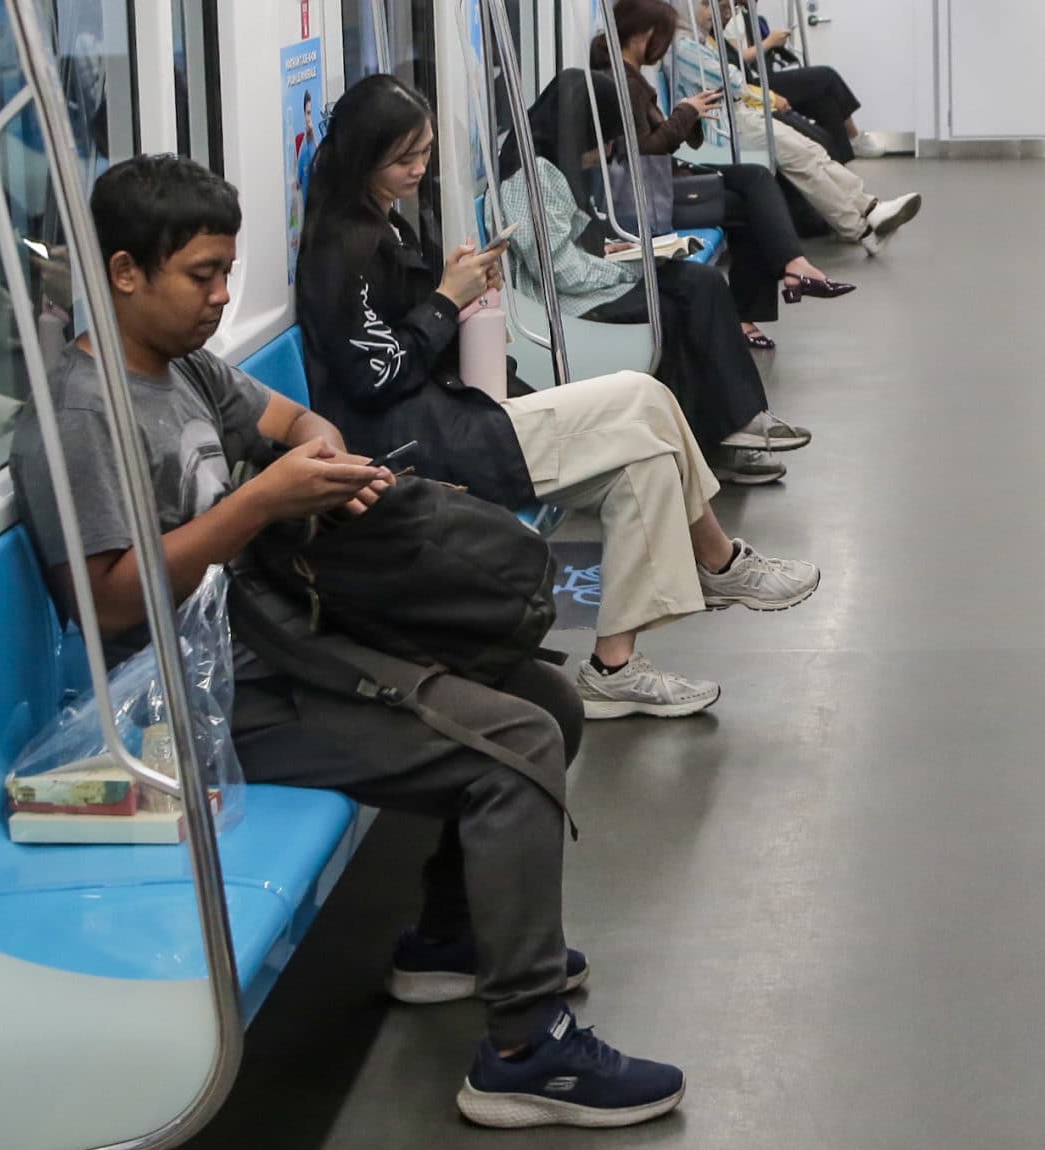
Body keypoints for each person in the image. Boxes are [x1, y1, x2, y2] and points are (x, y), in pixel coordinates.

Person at [14, 155, 685, 1129]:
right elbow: (111, 599)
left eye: (225, 273)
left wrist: (320, 460)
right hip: (197, 707)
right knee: (517, 746)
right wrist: (260, 501)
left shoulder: (186, 367)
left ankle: (453, 938)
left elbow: (295, 416)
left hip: (280, 640)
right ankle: (524, 1045)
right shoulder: (81, 414)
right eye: (199, 275)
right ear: (124, 271)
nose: (218, 296)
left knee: (551, 695)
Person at [297, 74, 821, 722]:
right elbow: (373, 379)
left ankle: (614, 669)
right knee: (642, 397)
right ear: (362, 157)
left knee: (645, 467)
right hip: (411, 444)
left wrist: (452, 289)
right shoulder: (338, 250)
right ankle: (719, 559)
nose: (419, 169)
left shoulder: (389, 226)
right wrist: (444, 299)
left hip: (447, 415)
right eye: (403, 158)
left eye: (426, 152)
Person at [490, 132, 811, 486]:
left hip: (587, 285)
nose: (609, 150)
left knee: (697, 284)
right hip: (568, 305)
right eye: (604, 139)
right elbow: (560, 274)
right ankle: (732, 429)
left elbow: (567, 249)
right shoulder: (529, 180)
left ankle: (724, 435)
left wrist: (619, 254)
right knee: (684, 300)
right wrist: (635, 266)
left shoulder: (553, 170)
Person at [584, 0, 855, 326]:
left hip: (660, 181)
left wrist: (690, 115)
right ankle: (758, 302)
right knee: (748, 206)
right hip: (647, 194)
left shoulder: (627, 74)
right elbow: (646, 148)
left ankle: (792, 268)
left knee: (755, 178)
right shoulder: (622, 80)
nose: (666, 47)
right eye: (663, 38)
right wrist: (685, 112)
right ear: (644, 35)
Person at [663, 0, 920, 246]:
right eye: (704, 5)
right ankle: (860, 228)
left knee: (812, 151)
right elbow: (733, 81)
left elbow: (733, 78)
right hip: (722, 129)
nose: (710, 12)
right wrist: (735, 78)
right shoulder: (683, 47)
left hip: (736, 117)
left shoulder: (695, 42)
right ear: (685, 6)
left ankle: (870, 208)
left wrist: (735, 78)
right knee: (803, 161)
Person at [713, 0, 865, 157]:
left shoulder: (747, 14)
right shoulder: (728, 17)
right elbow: (737, 57)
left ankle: (841, 161)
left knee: (825, 103)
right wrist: (769, 43)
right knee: (827, 76)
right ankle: (855, 137)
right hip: (754, 82)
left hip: (763, 75)